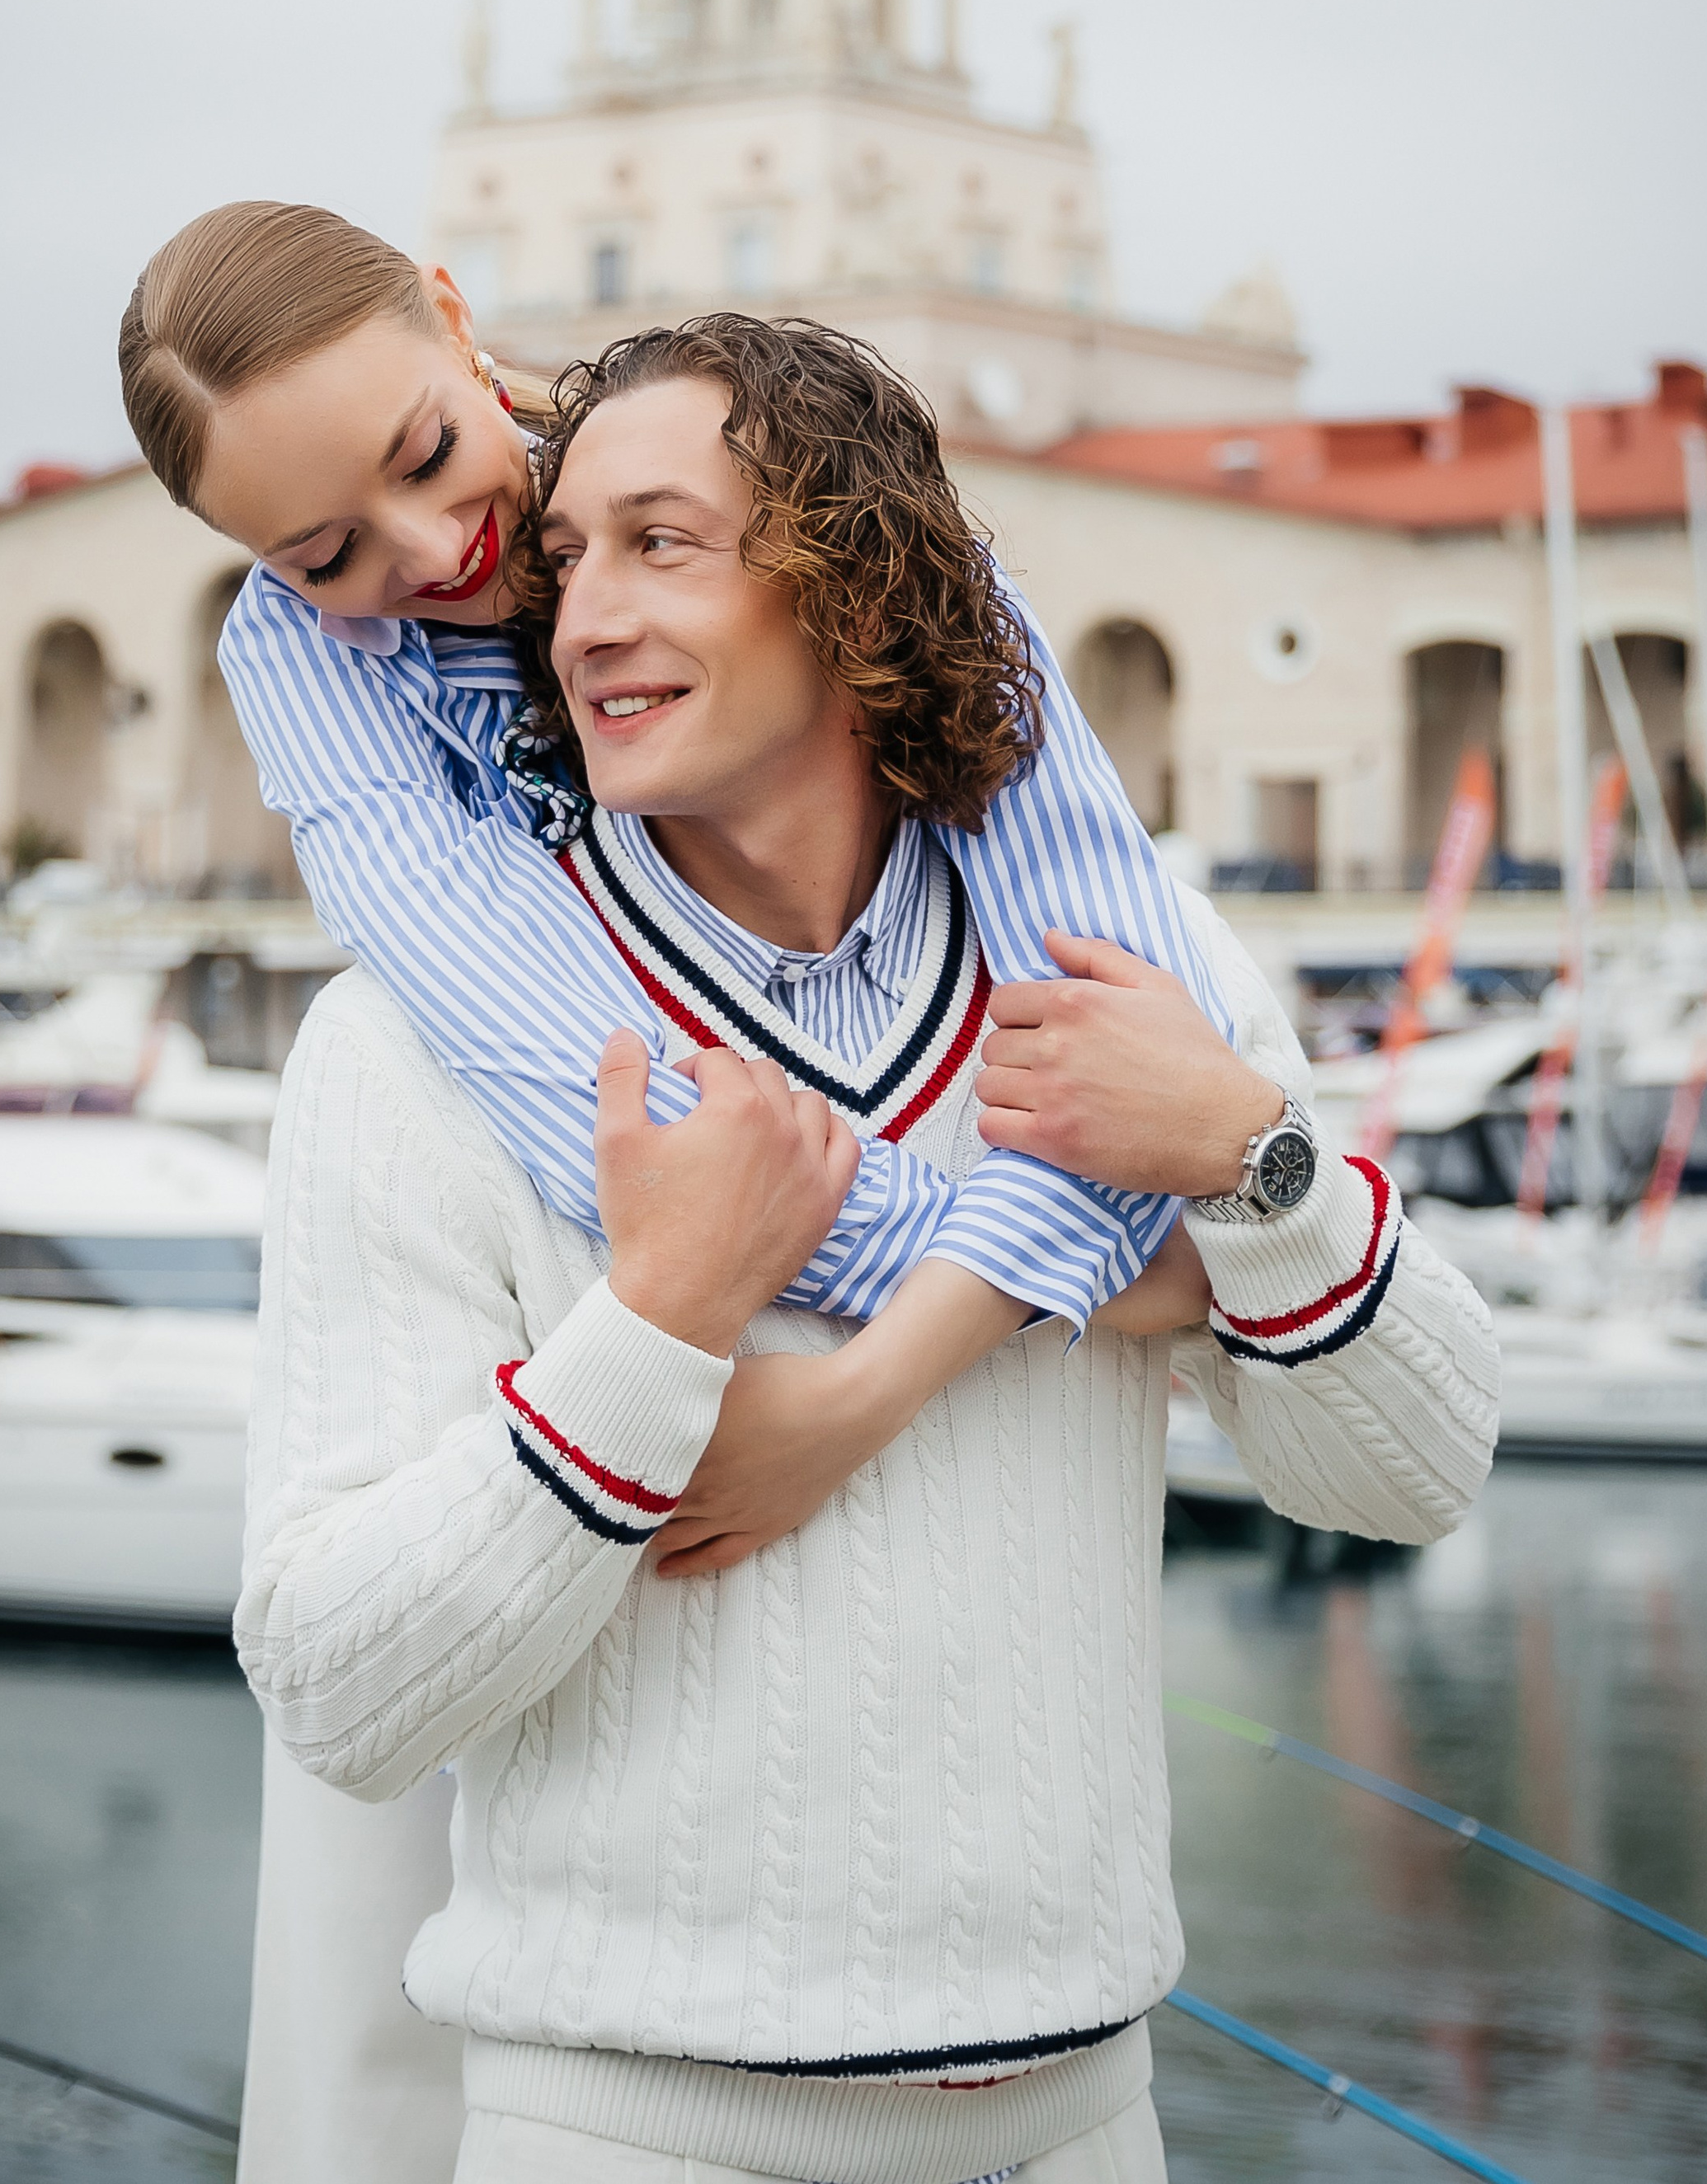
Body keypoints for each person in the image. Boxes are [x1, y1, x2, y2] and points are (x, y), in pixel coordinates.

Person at [231, 326, 1502, 2183]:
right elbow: (338, 1693)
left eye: (661, 542)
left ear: (853, 588)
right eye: (567, 557)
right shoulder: (402, 1054)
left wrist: (1251, 1161)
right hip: (627, 2134)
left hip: (1085, 2125)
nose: (577, 615)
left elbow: (1411, 1471)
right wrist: (654, 1334)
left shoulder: (1140, 986)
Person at [120, 205, 1247, 1411]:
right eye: (326, 555)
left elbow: (1126, 1017)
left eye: (427, 454)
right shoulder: (307, 667)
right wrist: (1059, 1270)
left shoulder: (787, 461)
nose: (435, 548)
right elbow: (588, 1097)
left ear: (455, 319)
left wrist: (863, 1390)